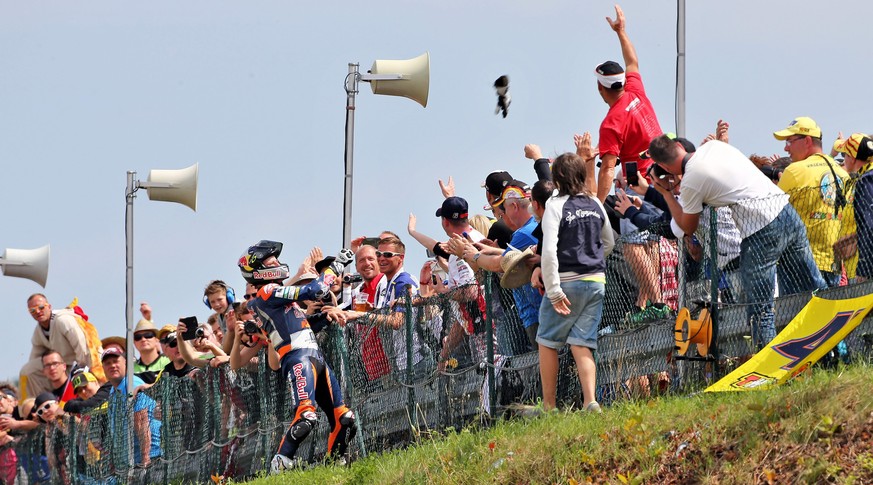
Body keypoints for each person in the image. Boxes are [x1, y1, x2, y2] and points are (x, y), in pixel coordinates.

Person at [646, 135, 827, 348]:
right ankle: (839, 347)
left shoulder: (691, 181)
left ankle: (769, 370)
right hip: (786, 212)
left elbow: (687, 227)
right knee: (814, 285)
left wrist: (666, 193)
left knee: (759, 309)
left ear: (663, 167)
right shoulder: (714, 146)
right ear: (678, 145)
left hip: (760, 230)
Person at [238, 240, 356, 471]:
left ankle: (335, 466)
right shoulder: (267, 291)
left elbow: (300, 323)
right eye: (271, 261)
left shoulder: (274, 296)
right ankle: (280, 464)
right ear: (258, 269)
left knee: (345, 418)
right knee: (306, 417)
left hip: (315, 356)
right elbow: (315, 290)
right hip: (297, 358)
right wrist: (336, 267)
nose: (277, 263)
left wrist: (326, 316)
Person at [536, 151, 614, 412]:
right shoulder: (595, 204)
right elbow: (609, 242)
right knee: (582, 342)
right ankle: (590, 401)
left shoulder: (555, 206)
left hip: (567, 281)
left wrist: (554, 289)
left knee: (547, 340)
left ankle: (549, 405)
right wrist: (591, 260)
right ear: (582, 175)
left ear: (556, 179)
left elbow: (548, 251)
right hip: (596, 281)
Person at [594, 4, 662, 202]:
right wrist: (621, 32)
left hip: (640, 191)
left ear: (600, 87)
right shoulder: (635, 90)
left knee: (641, 234)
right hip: (666, 183)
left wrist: (598, 207)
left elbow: (607, 168)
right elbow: (632, 62)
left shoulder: (610, 123)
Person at [774, 117, 849, 287]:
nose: (786, 147)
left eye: (789, 141)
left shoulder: (794, 171)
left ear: (807, 140)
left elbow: (773, 215)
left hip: (798, 266)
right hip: (835, 263)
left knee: (798, 314)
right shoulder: (842, 173)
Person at [19, 294, 91, 400]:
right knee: (27, 371)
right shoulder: (38, 332)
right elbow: (34, 360)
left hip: (87, 363)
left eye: (41, 307)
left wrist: (83, 372)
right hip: (64, 367)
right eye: (33, 311)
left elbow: (83, 347)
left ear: (49, 306)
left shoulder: (63, 320)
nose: (38, 312)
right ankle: (40, 404)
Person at [102, 346, 161, 467]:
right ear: (103, 368)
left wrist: (145, 459)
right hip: (131, 461)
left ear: (125, 363)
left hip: (151, 459)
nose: (112, 365)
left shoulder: (131, 384)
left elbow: (142, 421)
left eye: (115, 361)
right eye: (107, 363)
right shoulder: (113, 391)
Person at [833, 133, 873, 282]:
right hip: (854, 264)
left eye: (845, 155)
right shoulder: (858, 180)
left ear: (853, 158)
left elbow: (869, 226)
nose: (844, 159)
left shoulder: (867, 179)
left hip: (863, 268)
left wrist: (863, 268)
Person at [131, 319, 171, 384]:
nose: (143, 339)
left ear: (156, 340)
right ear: (134, 342)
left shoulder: (168, 361)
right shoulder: (130, 368)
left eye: (148, 335)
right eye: (138, 337)